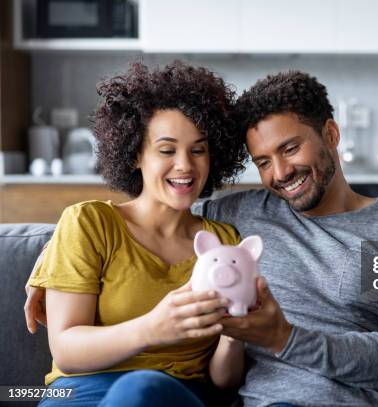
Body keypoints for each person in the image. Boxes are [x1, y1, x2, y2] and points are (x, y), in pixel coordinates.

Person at [26, 70, 378, 406]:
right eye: (263, 161)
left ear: (332, 136)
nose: (279, 174)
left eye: (290, 149)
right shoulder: (241, 216)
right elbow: (146, 223)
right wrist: (51, 261)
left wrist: (285, 339)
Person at [25, 61, 248, 406]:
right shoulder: (90, 223)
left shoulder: (224, 242)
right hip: (79, 395)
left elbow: (224, 381)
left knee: (142, 390)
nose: (185, 165)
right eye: (167, 150)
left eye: (198, 150)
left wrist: (236, 333)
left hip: (177, 396)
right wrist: (153, 328)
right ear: (135, 156)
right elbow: (66, 349)